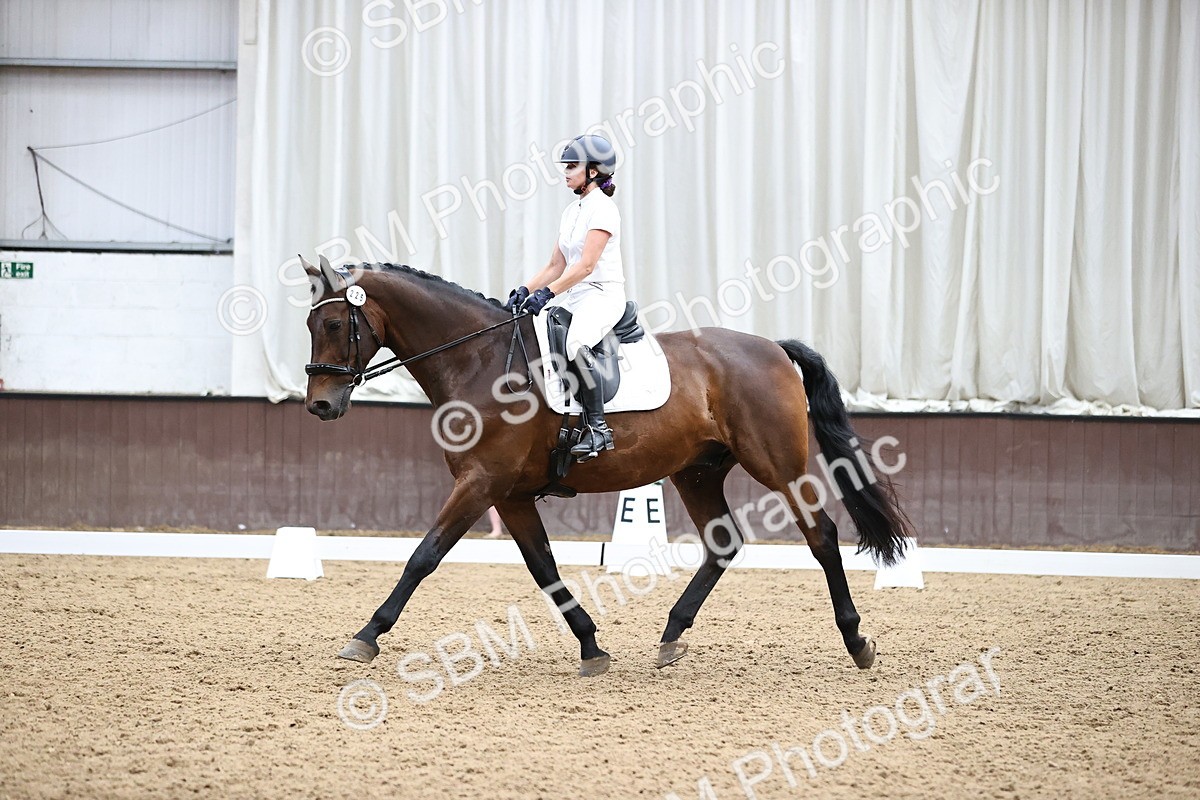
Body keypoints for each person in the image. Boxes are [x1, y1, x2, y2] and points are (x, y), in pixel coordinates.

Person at [503, 134, 626, 462]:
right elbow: (555, 265)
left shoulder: (603, 209)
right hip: (574, 294)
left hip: (602, 293)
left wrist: (548, 293)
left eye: (573, 166)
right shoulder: (572, 211)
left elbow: (586, 266)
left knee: (575, 344)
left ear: (594, 172)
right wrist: (525, 290)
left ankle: (598, 428)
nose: (566, 172)